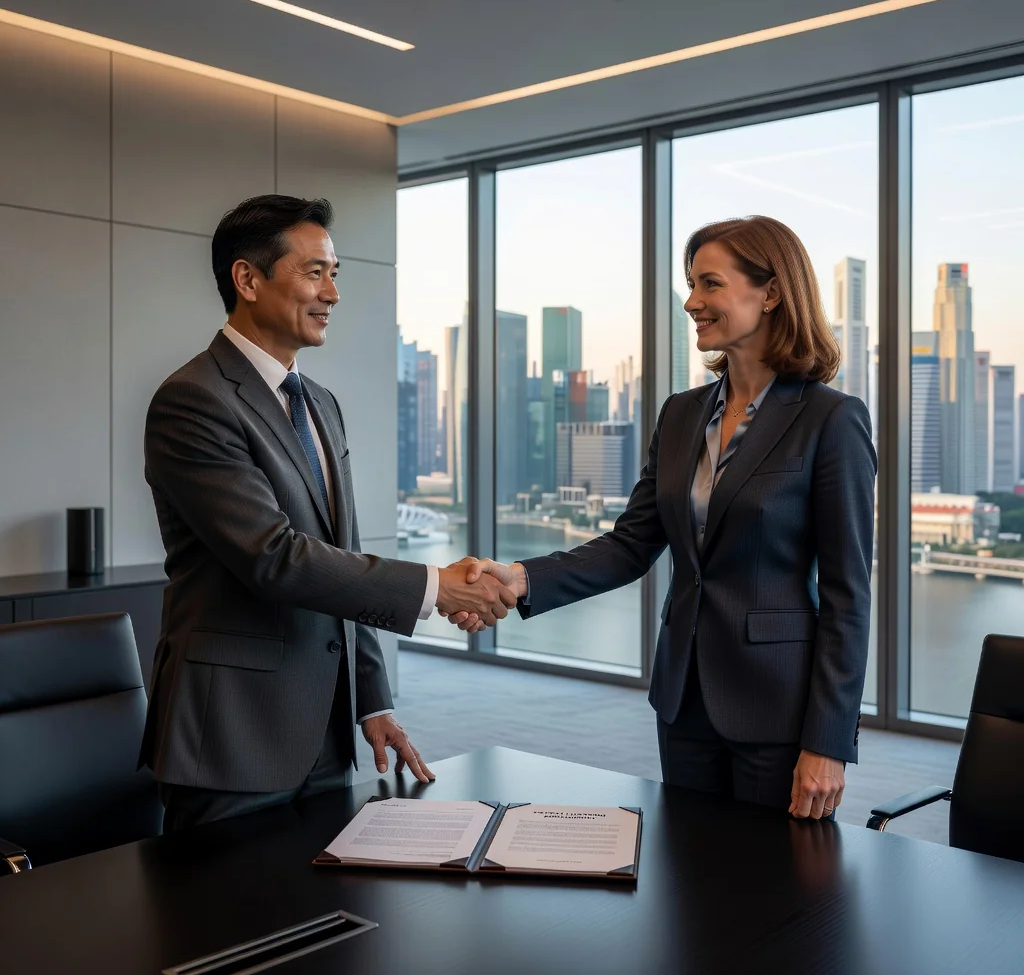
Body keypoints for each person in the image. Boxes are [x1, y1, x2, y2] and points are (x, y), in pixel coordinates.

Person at [446, 216, 877, 820]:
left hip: (779, 709)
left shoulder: (831, 419)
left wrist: (828, 743)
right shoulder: (682, 414)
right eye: (690, 284)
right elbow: (632, 544)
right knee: (692, 881)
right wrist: (518, 577)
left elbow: (847, 596)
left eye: (709, 284)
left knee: (777, 894)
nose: (691, 301)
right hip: (684, 698)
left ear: (772, 292)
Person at [140, 194, 515, 831]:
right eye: (314, 272)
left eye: (334, 274)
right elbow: (275, 558)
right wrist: (434, 587)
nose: (332, 293)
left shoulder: (320, 403)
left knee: (321, 920)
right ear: (248, 279)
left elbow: (341, 555)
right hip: (232, 733)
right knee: (221, 926)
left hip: (324, 728)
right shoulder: (193, 399)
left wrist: (372, 699)